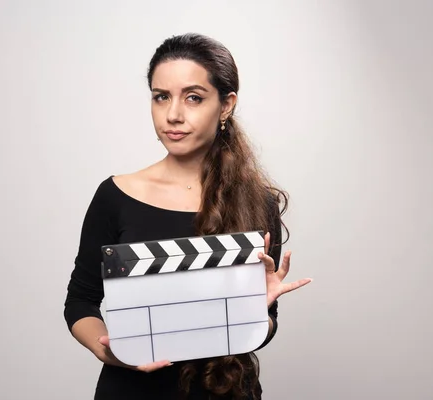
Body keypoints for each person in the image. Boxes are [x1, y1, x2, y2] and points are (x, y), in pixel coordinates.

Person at [63, 32, 312, 400]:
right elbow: (80, 300)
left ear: (226, 105)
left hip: (226, 392)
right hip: (133, 391)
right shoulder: (115, 195)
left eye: (193, 98)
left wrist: (259, 314)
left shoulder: (255, 202)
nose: (173, 114)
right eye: (161, 97)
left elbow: (266, 326)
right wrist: (112, 352)